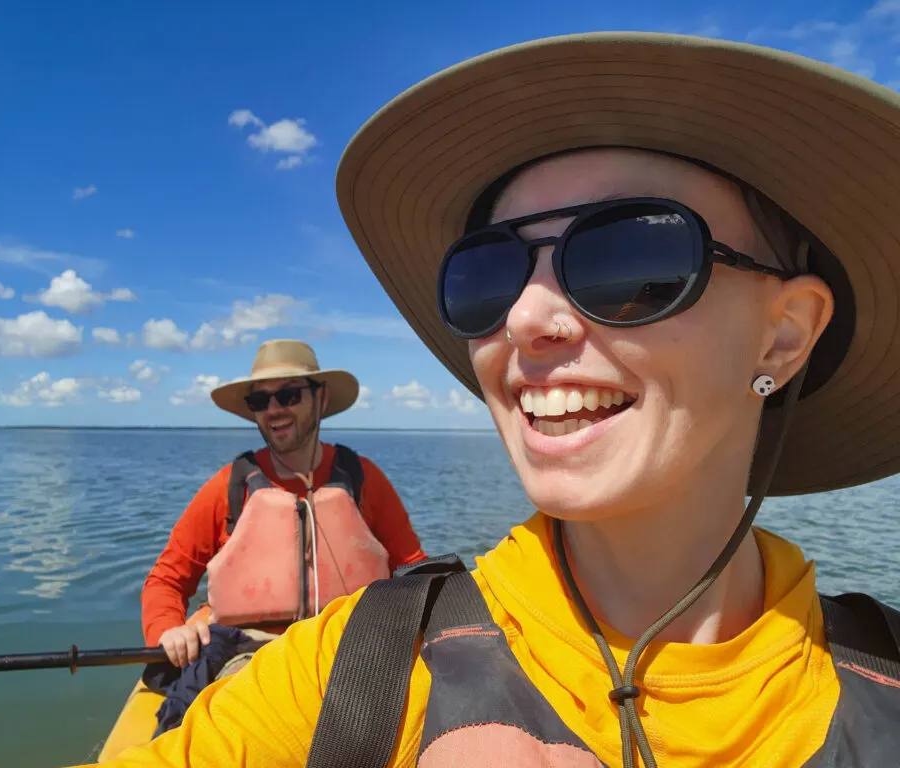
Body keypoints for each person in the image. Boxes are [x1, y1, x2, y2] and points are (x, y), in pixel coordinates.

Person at [91, 32, 900, 768]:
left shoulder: (361, 486)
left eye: (630, 259)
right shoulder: (356, 663)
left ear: (784, 336)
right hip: (247, 653)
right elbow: (172, 578)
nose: (523, 318)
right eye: (487, 274)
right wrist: (178, 626)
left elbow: (405, 560)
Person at [141, 338, 427, 667]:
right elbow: (167, 580)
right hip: (250, 657)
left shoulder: (363, 478)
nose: (274, 409)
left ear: (321, 398)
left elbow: (414, 570)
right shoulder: (229, 487)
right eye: (260, 400)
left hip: (355, 649)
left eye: (289, 395)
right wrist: (168, 629)